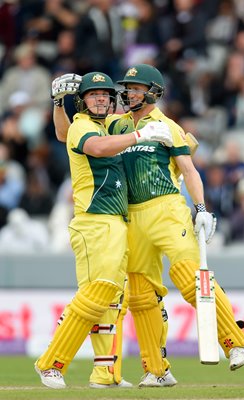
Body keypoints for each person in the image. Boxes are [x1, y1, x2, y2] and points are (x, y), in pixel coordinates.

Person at [51, 64, 244, 387]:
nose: (129, 93)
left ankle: (236, 343)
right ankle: (156, 370)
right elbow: (67, 136)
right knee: (141, 296)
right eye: (127, 88)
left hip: (166, 208)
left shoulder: (167, 126)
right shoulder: (115, 124)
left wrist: (200, 207)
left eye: (135, 88)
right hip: (130, 215)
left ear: (153, 92)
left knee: (189, 277)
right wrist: (58, 103)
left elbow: (188, 169)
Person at [34, 70, 174, 390]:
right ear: (81, 101)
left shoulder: (106, 124)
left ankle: (105, 374)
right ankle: (51, 363)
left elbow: (70, 134)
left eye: (105, 94)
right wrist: (140, 136)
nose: (100, 98)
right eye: (93, 94)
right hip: (93, 221)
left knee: (111, 300)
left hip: (116, 221)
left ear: (112, 100)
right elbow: (97, 148)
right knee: (98, 292)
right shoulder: (83, 126)